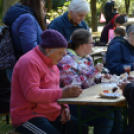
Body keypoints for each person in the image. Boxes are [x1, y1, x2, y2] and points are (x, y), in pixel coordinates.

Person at [11, 30, 86, 134]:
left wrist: (64, 106)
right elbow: (31, 93)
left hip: (51, 114)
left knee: (80, 127)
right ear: (49, 49)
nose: (62, 57)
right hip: (28, 117)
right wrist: (63, 93)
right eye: (60, 53)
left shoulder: (52, 62)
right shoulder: (29, 62)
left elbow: (55, 89)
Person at [57, 29, 123, 134]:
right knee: (105, 115)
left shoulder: (87, 58)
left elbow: (94, 78)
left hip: (89, 98)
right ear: (83, 45)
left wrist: (104, 77)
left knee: (115, 108)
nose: (93, 45)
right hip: (72, 102)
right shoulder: (66, 60)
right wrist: (94, 71)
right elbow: (72, 86)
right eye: (91, 43)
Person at [3, 0, 46, 82]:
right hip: (26, 73)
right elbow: (30, 50)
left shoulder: (21, 16)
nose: (43, 2)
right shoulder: (27, 19)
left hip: (20, 70)